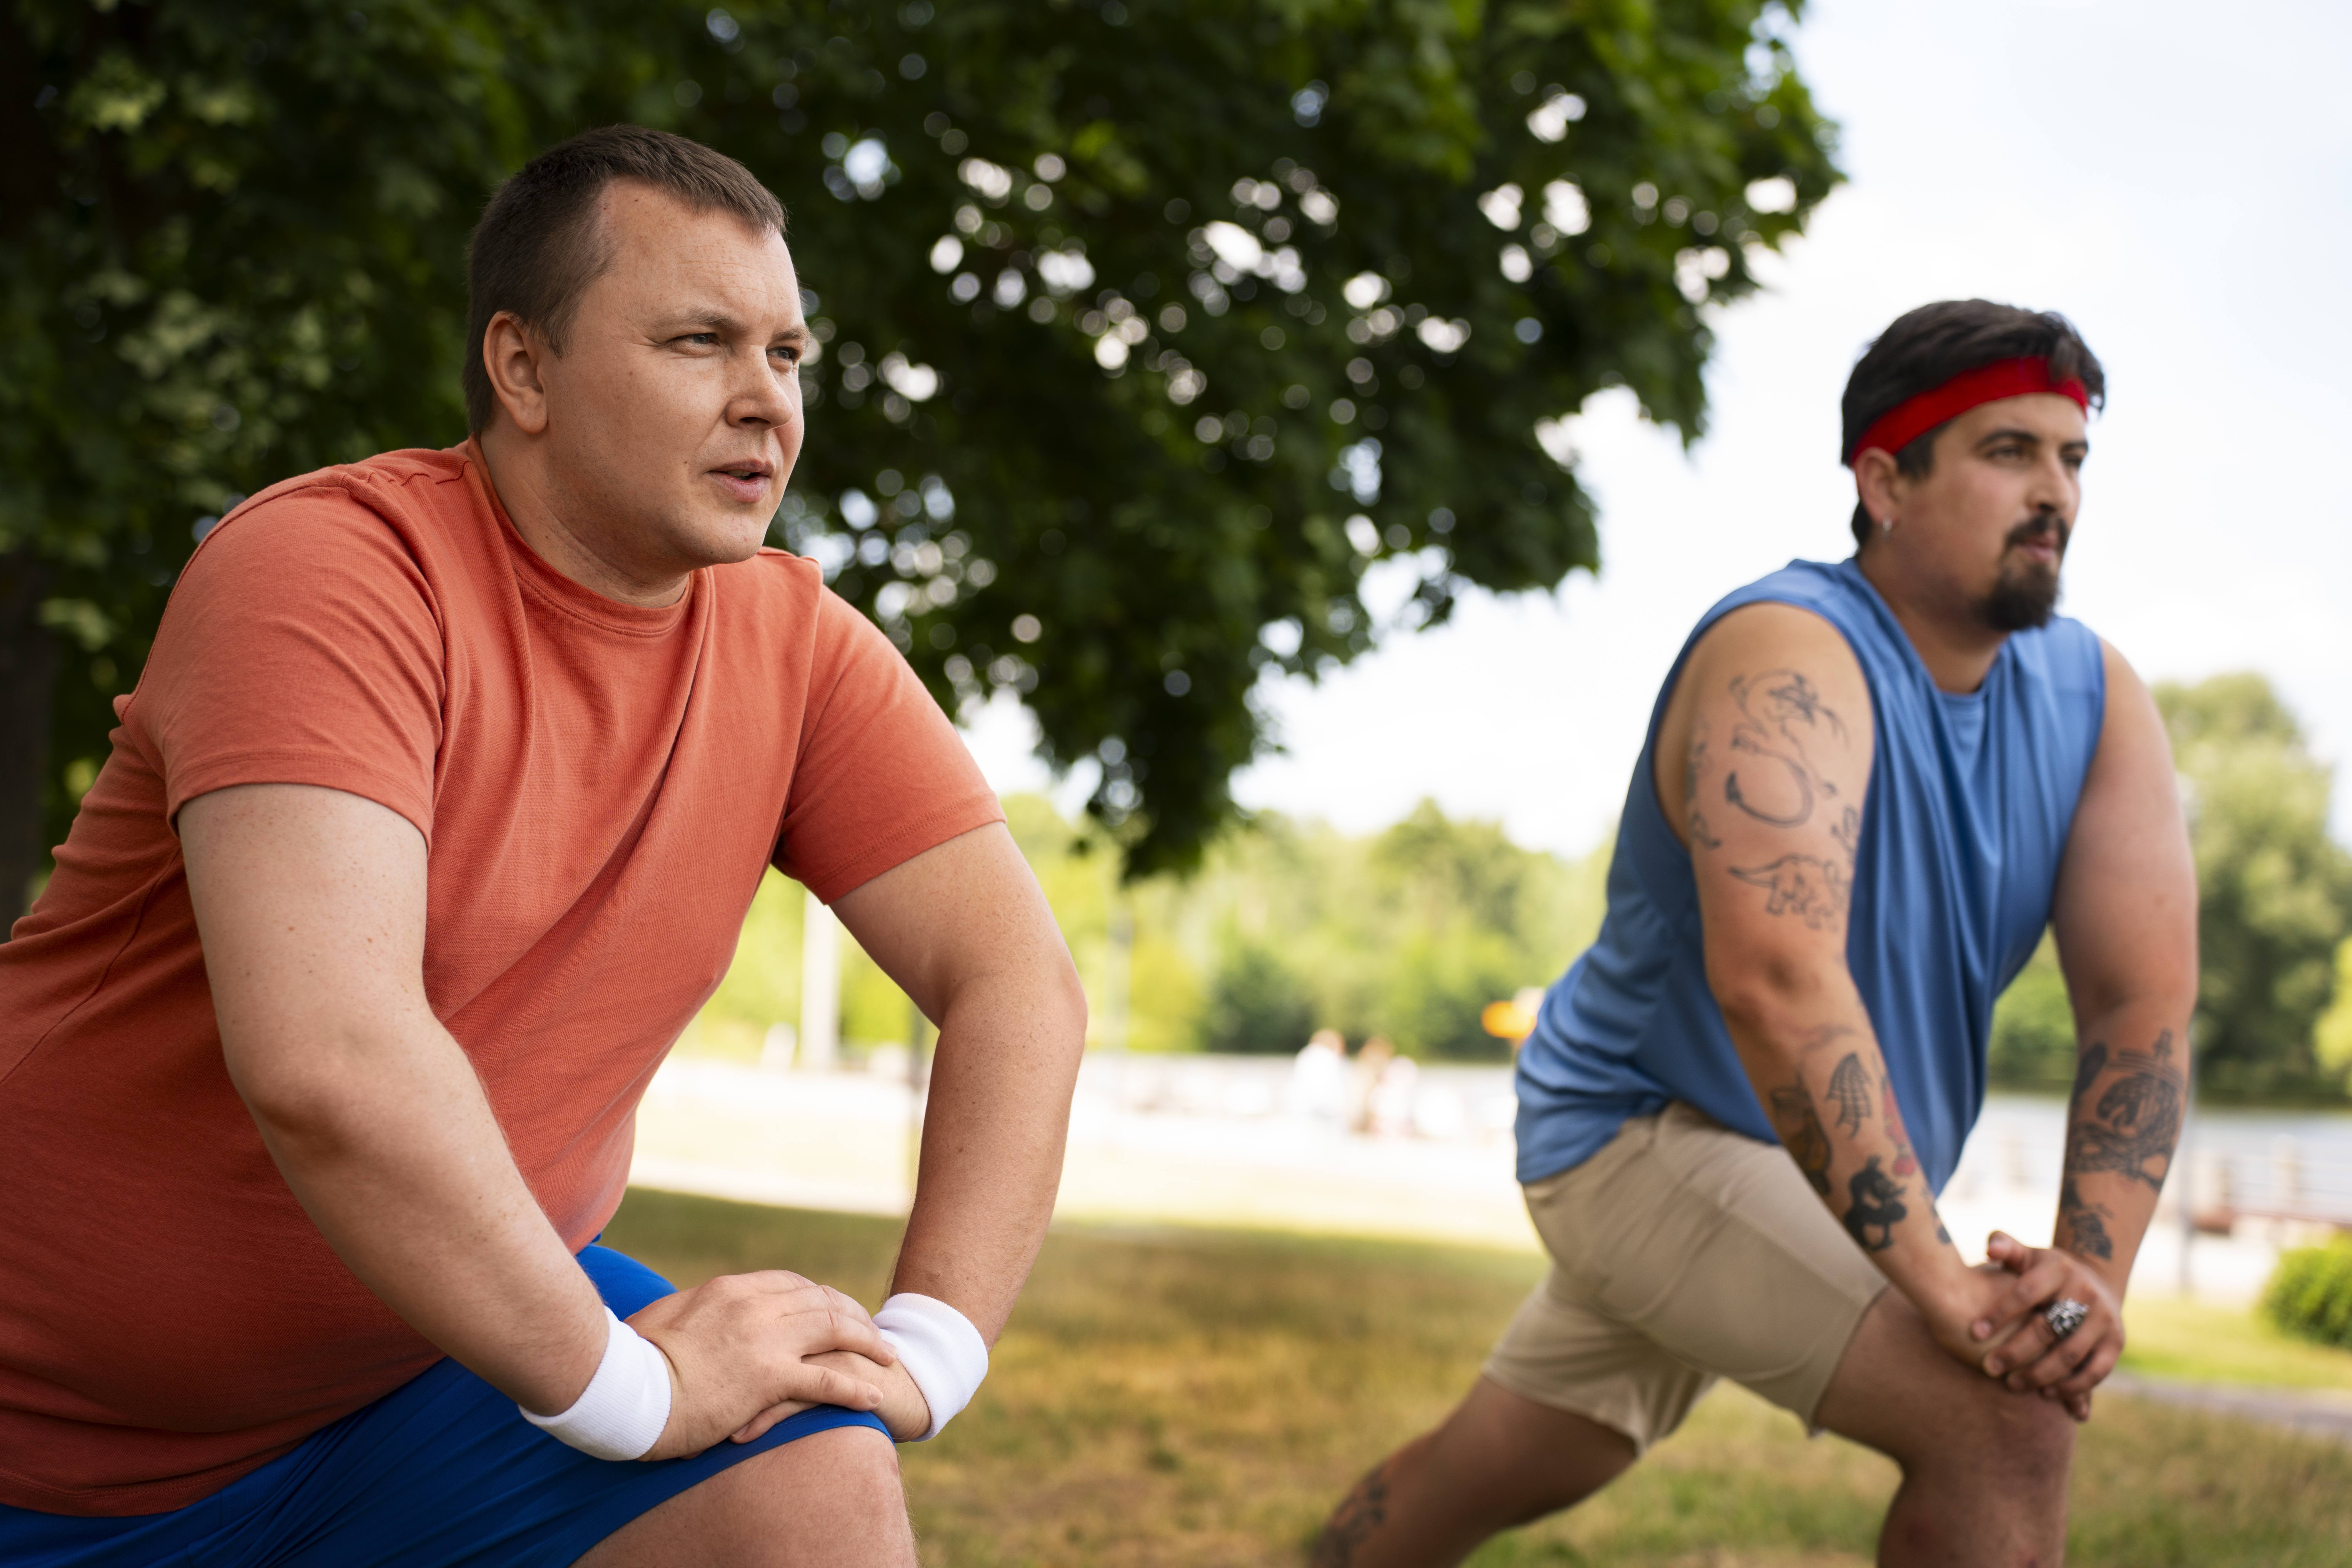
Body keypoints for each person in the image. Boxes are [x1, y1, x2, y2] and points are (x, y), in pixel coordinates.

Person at [0, 126, 1088, 1567]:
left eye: (790, 354)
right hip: (45, 1442)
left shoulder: (801, 648)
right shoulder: (328, 573)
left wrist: (932, 1347)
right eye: (701, 342)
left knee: (809, 1484)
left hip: (417, 1390)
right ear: (522, 370)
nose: (765, 400)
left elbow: (1019, 983)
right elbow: (332, 1060)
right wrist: (627, 1387)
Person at [1314, 301, 2195, 1567]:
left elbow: (2136, 1006)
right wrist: (1942, 1282)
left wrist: (2089, 1272)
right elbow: (1777, 980)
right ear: (1883, 480)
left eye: (2070, 459)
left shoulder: (2094, 698)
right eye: (2007, 452)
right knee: (2001, 1420)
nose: (2051, 490)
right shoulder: (1788, 648)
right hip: (1640, 1130)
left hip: (1798, 1168)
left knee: (1506, 1459)